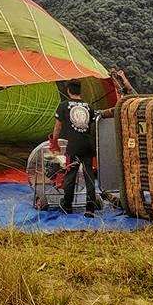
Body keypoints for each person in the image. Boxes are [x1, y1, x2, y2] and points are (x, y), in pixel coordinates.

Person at [50, 79, 97, 218]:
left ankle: (67, 205)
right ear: (80, 91)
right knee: (89, 177)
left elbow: (57, 126)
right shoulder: (89, 107)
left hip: (73, 146)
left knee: (70, 175)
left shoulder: (64, 105)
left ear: (69, 91)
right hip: (88, 146)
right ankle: (90, 208)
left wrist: (54, 141)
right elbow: (92, 127)